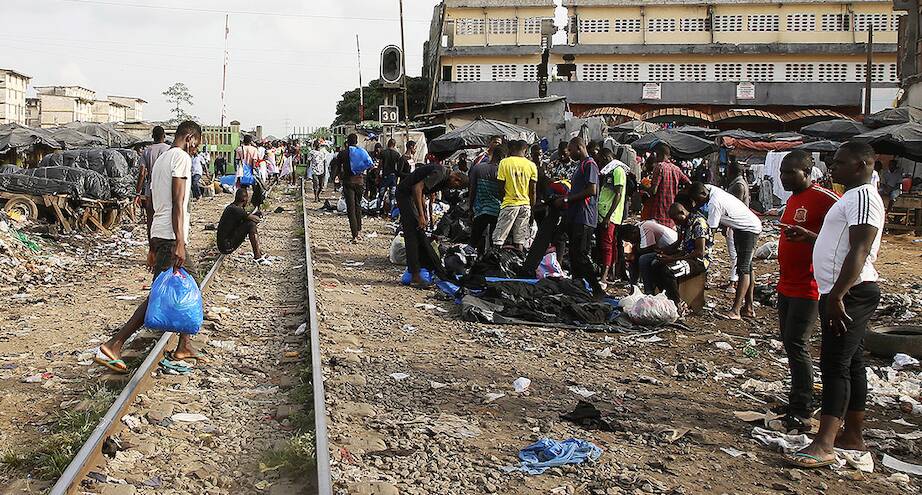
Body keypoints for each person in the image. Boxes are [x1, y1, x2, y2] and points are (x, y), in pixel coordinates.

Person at [786, 142, 883, 469]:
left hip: (852, 292)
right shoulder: (852, 197)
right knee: (851, 362)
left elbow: (860, 248)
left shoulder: (864, 198)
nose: (833, 169)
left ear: (862, 165)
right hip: (843, 290)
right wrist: (811, 238)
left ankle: (825, 443)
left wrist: (838, 295)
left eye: (841, 163)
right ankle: (851, 436)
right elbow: (841, 242)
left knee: (835, 364)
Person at [95, 121, 203, 373]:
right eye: (196, 143)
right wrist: (179, 241)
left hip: (159, 234)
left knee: (176, 287)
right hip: (170, 236)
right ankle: (115, 343)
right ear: (189, 138)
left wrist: (151, 244)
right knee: (186, 287)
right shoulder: (181, 158)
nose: (196, 149)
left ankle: (183, 345)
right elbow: (178, 202)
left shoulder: (161, 160)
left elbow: (150, 205)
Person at [775, 150, 839, 433]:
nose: (785, 178)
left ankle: (802, 407)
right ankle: (796, 399)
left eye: (791, 173)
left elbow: (844, 236)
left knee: (798, 343)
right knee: (790, 343)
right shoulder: (792, 200)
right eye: (783, 173)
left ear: (807, 172)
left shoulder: (826, 199)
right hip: (787, 283)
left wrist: (810, 237)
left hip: (810, 286)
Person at [689, 181, 762, 320]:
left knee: (743, 269)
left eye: (699, 200)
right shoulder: (710, 189)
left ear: (703, 194)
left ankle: (736, 311)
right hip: (742, 227)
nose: (698, 204)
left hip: (748, 229)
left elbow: (711, 230)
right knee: (747, 267)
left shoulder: (714, 203)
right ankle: (749, 308)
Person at [395, 164, 468, 287]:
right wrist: (421, 216)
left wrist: (423, 210)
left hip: (410, 196)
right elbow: (417, 188)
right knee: (412, 234)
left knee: (419, 233)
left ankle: (430, 267)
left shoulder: (443, 177)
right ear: (456, 179)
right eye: (457, 186)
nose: (452, 188)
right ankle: (415, 276)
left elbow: (422, 190)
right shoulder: (440, 173)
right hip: (405, 195)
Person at [554, 137, 604, 298]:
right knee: (575, 254)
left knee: (581, 254)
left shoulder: (589, 165)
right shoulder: (580, 166)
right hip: (576, 216)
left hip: (585, 216)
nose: (569, 153)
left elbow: (591, 190)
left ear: (579, 147)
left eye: (570, 149)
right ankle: (577, 285)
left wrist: (568, 199)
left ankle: (597, 289)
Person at [649, 202, 713, 314]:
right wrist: (665, 253)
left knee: (668, 270)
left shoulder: (698, 223)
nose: (675, 222)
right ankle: (664, 298)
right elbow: (679, 244)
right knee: (656, 264)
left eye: (676, 219)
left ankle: (676, 303)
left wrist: (671, 259)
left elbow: (700, 252)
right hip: (686, 256)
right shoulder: (683, 223)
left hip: (699, 261)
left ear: (682, 212)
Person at [493, 140, 537, 251]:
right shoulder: (531, 165)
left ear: (512, 149)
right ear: (526, 151)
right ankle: (519, 263)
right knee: (519, 240)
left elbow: (500, 186)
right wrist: (532, 209)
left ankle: (494, 262)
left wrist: (504, 199)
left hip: (509, 204)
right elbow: (533, 191)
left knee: (499, 239)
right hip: (525, 206)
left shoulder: (504, 163)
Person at [619, 220, 678, 293]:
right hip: (662, 250)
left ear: (634, 232)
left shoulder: (645, 228)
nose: (631, 242)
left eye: (630, 239)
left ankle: (648, 291)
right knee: (634, 259)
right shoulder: (638, 228)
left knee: (643, 259)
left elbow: (647, 249)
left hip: (673, 248)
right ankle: (633, 288)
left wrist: (634, 251)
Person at [468, 144, 505, 255]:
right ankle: (489, 264)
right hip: (497, 211)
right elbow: (503, 193)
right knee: (494, 244)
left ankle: (472, 262)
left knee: (473, 241)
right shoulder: (501, 171)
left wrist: (470, 209)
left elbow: (472, 190)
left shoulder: (478, 168)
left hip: (481, 210)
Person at [642, 143, 690, 229]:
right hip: (672, 212)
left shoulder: (659, 167)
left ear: (658, 154)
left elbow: (653, 191)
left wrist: (643, 187)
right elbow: (689, 183)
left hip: (658, 213)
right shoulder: (676, 169)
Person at [596, 148, 626, 284]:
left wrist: (608, 216)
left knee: (607, 245)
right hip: (603, 212)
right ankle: (610, 274)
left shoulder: (617, 171)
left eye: (601, 160)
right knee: (610, 244)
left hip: (610, 215)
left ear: (606, 157)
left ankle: (605, 275)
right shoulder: (610, 170)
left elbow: (618, 194)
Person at [217, 186, 267, 263]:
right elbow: (256, 219)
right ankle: (257, 256)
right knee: (251, 225)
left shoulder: (232, 207)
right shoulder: (236, 210)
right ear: (244, 199)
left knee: (249, 223)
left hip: (224, 244)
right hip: (226, 246)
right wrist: (256, 216)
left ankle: (258, 253)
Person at [139, 126, 171, 240]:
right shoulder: (169, 150)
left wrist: (138, 192)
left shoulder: (147, 151)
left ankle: (152, 249)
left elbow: (142, 172)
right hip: (165, 189)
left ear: (152, 136)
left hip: (150, 190)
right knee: (166, 219)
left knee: (151, 220)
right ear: (164, 136)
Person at [724, 159, 750, 289]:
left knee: (734, 253)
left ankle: (733, 281)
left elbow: (733, 207)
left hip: (736, 223)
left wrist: (726, 225)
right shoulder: (739, 183)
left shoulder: (738, 185)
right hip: (737, 223)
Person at [337, 134, 367, 243]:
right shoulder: (361, 152)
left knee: (351, 208)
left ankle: (355, 234)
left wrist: (337, 176)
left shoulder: (343, 153)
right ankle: (359, 230)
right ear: (356, 141)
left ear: (347, 142)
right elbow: (369, 164)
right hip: (360, 182)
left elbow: (337, 166)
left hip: (348, 182)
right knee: (358, 206)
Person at [377, 138, 402, 213]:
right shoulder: (397, 154)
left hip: (385, 176)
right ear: (394, 145)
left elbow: (380, 164)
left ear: (388, 144)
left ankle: (377, 210)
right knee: (392, 196)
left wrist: (378, 173)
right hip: (393, 176)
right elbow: (397, 167)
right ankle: (391, 212)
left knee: (381, 194)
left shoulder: (383, 153)